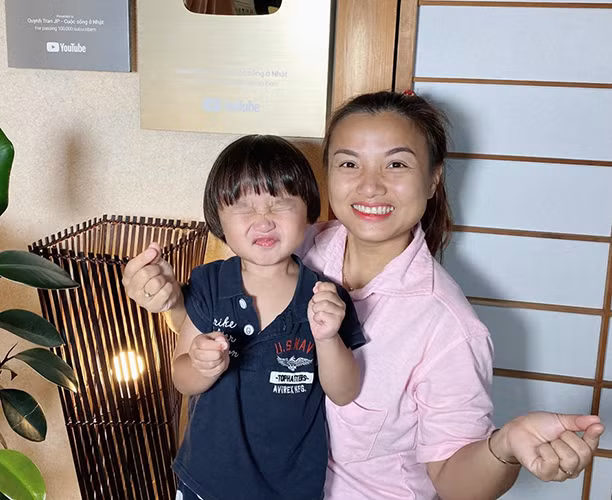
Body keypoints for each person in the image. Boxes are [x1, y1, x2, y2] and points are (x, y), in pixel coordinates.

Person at [123, 91, 605, 500]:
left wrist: (506, 445)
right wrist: (166, 298)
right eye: (350, 163)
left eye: (396, 163)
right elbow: (222, 331)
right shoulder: (296, 245)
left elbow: (455, 481)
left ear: (433, 178)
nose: (371, 186)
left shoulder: (447, 327)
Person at [141, 134, 365, 500]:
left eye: (280, 203)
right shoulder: (209, 283)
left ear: (308, 210)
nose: (263, 222)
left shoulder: (325, 297)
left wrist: (327, 338)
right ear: (218, 219)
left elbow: (344, 393)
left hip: (291, 489)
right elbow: (181, 378)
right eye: (243, 207)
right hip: (206, 482)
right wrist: (201, 365)